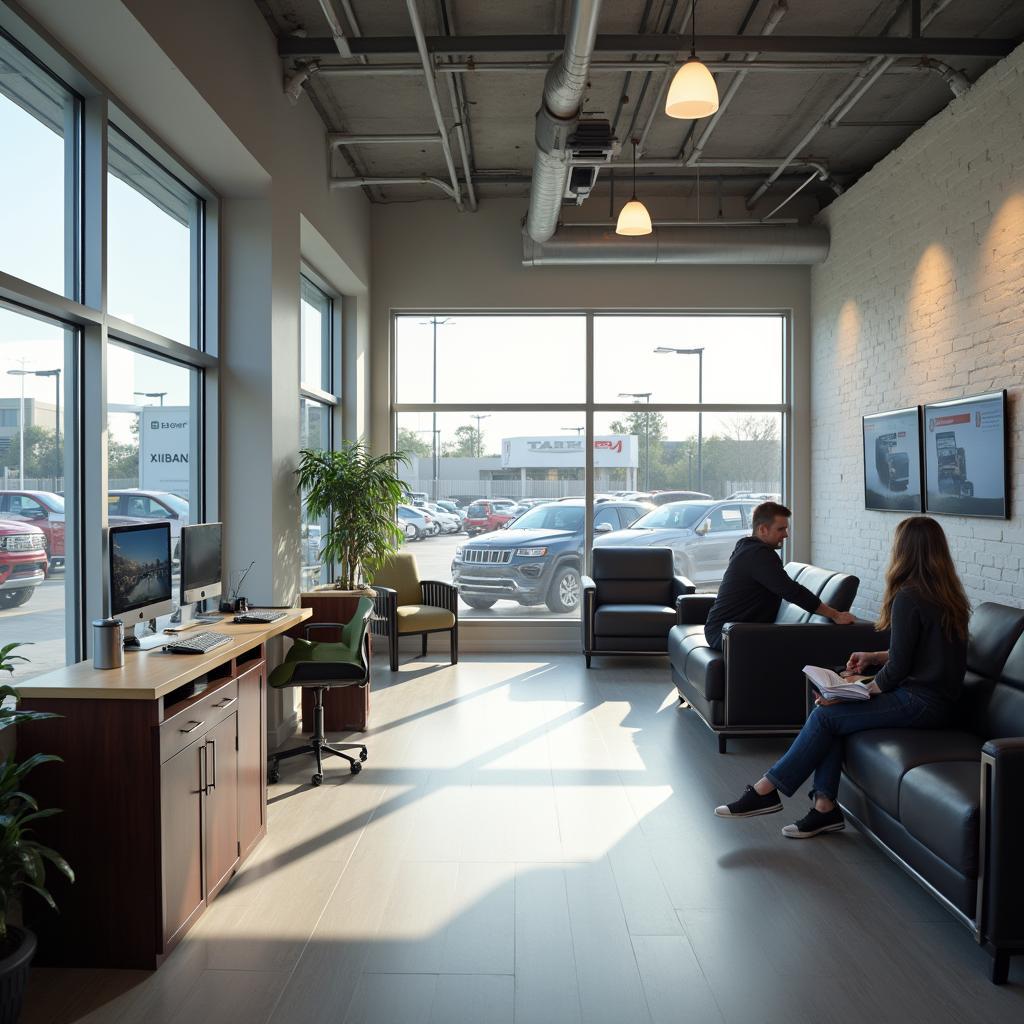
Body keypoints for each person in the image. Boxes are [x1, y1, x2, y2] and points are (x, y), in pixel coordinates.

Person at [714, 516, 970, 838]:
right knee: (831, 713)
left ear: (903, 550)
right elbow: (920, 653)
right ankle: (824, 808)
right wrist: (874, 657)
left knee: (826, 715)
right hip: (938, 701)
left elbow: (900, 669)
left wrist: (862, 690)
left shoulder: (909, 595)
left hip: (920, 703)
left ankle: (767, 790)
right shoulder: (949, 596)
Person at [703, 501, 855, 650]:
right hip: (727, 634)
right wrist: (835, 615)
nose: (786, 535)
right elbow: (791, 591)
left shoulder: (747, 547)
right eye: (780, 529)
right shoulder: (759, 554)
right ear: (763, 529)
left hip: (723, 630)